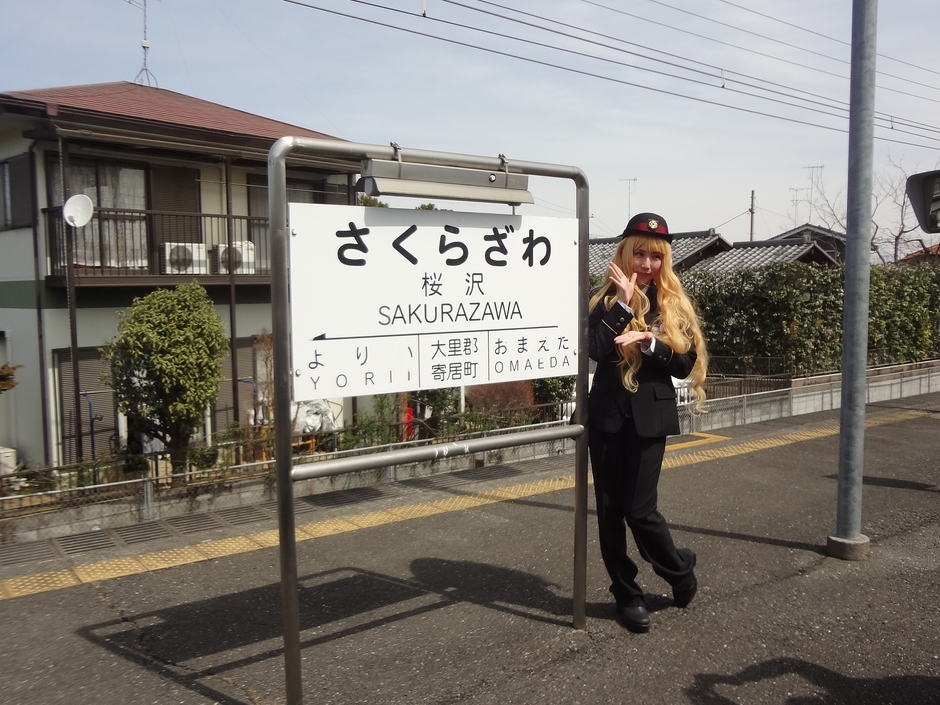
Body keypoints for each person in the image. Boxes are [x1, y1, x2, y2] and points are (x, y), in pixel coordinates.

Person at [587, 212, 708, 633]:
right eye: (639, 253)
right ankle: (627, 593)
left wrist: (651, 341)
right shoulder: (603, 301)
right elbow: (598, 350)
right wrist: (624, 304)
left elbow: (683, 364)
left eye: (655, 257)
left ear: (664, 261)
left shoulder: (674, 304)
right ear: (624, 253)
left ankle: (678, 569)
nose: (646, 264)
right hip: (605, 418)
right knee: (609, 512)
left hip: (650, 418)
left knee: (640, 511)